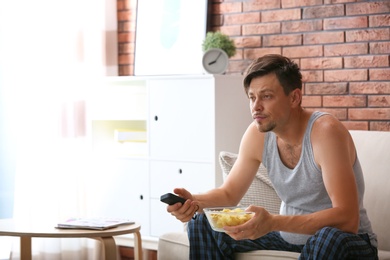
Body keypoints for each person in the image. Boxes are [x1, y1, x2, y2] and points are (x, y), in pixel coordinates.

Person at [166, 54, 378, 259]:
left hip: (350, 243)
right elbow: (229, 194)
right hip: (288, 239)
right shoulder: (257, 135)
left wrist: (273, 222)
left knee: (327, 237)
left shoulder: (325, 132)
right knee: (201, 223)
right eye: (252, 97)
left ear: (294, 97)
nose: (256, 107)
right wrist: (192, 202)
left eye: (266, 96)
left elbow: (348, 219)